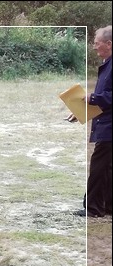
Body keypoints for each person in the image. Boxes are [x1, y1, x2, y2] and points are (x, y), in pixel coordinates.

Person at [69, 25, 111, 218]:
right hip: (106, 123)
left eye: (96, 43)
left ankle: (93, 209)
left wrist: (92, 98)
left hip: (109, 126)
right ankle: (106, 206)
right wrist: (81, 111)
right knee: (106, 167)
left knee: (99, 167)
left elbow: (105, 97)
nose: (94, 47)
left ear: (109, 44)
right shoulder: (107, 64)